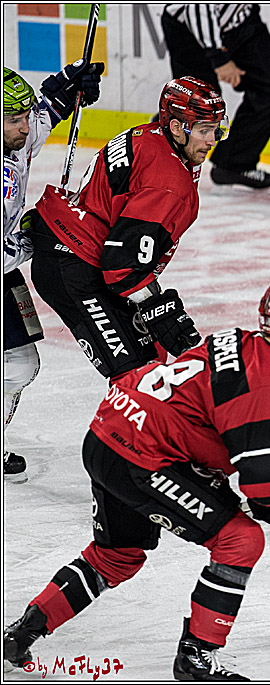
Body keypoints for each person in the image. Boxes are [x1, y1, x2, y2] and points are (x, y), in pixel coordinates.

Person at [3, 278, 270, 681]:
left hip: (108, 428)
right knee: (241, 539)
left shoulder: (235, 338)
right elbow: (266, 497)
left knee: (115, 556)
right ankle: (196, 659)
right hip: (142, 453)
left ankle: (19, 635)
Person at [26, 76, 228, 381]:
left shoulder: (148, 134)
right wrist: (157, 306)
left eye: (216, 129)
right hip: (74, 265)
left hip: (79, 247)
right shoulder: (169, 184)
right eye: (203, 130)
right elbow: (122, 268)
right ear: (175, 127)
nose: (212, 141)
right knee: (140, 377)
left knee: (155, 357)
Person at [4, 62, 103, 480]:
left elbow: (42, 119)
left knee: (21, 364)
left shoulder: (16, 137)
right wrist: (36, 236)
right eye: (14, 119)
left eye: (23, 116)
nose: (24, 127)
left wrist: (65, 90)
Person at [160, 3, 270, 190]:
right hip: (191, 28)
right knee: (198, 103)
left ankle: (234, 165)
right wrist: (218, 58)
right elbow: (196, 7)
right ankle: (157, 155)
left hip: (240, 21)